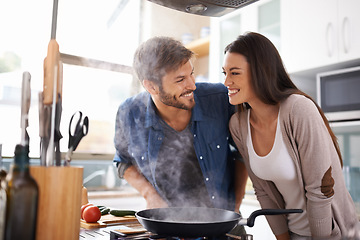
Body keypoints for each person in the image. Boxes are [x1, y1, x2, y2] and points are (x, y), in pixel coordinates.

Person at [222, 32, 360, 240]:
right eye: (224, 73)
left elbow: (320, 190)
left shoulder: (298, 109)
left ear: (260, 72)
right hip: (294, 235)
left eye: (234, 73)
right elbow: (263, 191)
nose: (226, 82)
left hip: (333, 235)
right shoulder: (238, 125)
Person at [113, 37, 248, 220]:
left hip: (222, 221)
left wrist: (235, 207)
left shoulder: (220, 99)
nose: (192, 85)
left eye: (191, 73)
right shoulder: (129, 113)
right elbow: (123, 162)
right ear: (151, 86)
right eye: (180, 80)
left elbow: (243, 152)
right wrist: (149, 195)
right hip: (168, 224)